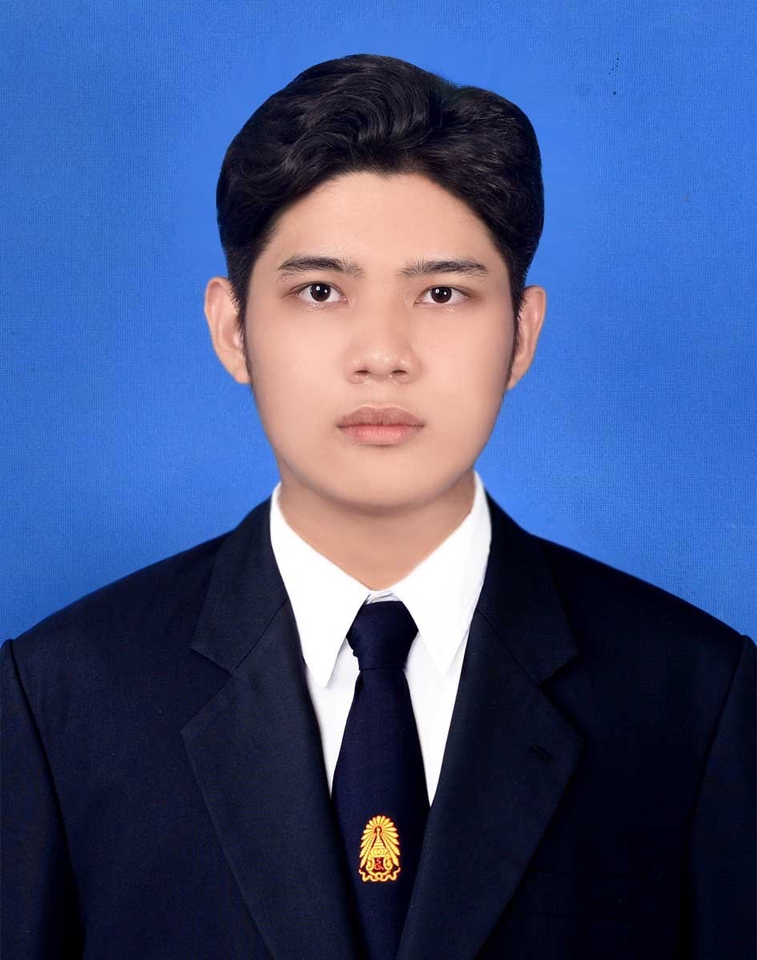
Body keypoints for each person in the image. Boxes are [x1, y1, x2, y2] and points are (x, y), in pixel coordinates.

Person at [1, 53, 754, 960]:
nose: (383, 354)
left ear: (521, 334)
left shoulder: (696, 696)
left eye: (441, 293)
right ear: (232, 329)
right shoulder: (61, 696)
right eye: (320, 291)